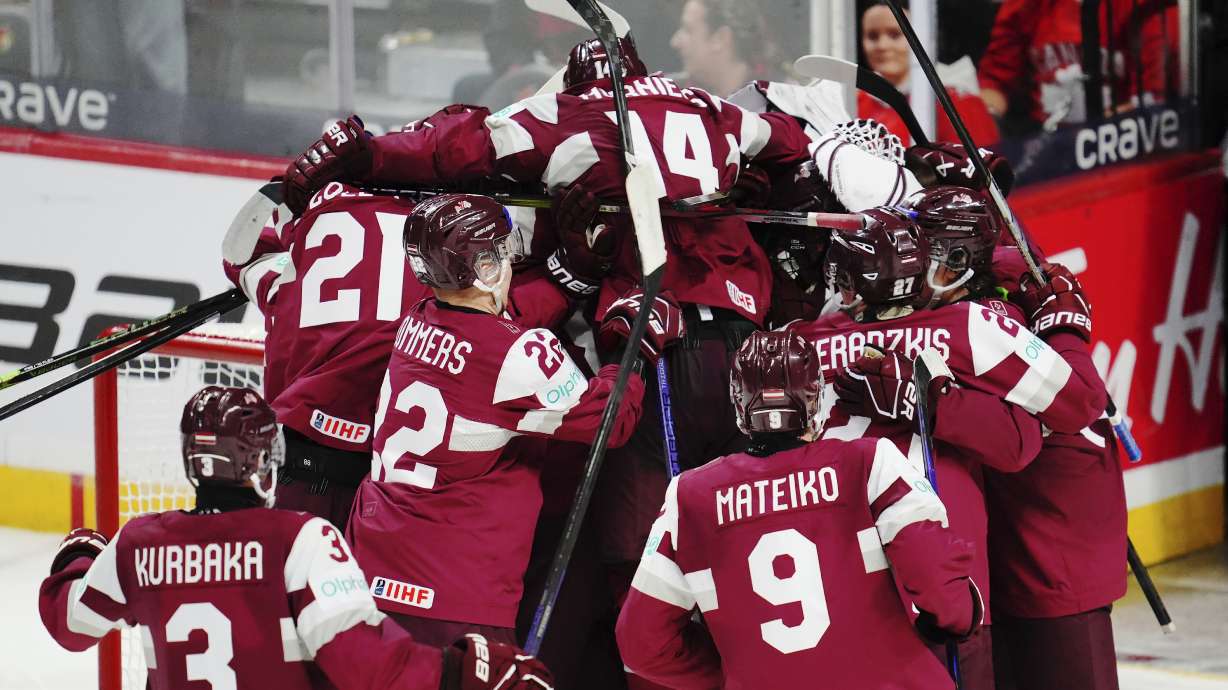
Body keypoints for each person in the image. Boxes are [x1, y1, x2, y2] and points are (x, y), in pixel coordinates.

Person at [275, 36, 820, 645]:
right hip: (738, 346)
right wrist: (631, 346)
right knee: (756, 517)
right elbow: (794, 144)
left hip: (388, 570)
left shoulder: (416, 324)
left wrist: (368, 154)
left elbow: (461, 146)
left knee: (643, 557)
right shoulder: (708, 107)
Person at [38, 385, 552, 690]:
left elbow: (69, 624)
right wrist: (462, 671)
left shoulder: (138, 545)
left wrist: (81, 555)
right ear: (264, 461)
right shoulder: (301, 539)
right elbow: (364, 663)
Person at [344, 193, 679, 647]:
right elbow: (610, 421)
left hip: (373, 575)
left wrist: (568, 278)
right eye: (501, 250)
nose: (510, 258)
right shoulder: (516, 356)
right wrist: (635, 347)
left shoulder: (417, 320)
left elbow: (491, 334)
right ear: (482, 266)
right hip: (453, 593)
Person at [227, 141, 575, 526]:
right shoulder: (450, 244)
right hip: (396, 488)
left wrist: (286, 189)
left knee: (286, 582)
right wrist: (573, 274)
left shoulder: (316, 223)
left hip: (293, 464)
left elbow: (239, 257)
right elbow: (496, 315)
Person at [614, 329, 982, 688]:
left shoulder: (688, 496)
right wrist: (957, 618)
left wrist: (733, 673)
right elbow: (935, 578)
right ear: (815, 398)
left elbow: (640, 644)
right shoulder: (868, 460)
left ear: (739, 404)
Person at [986, 249, 1126, 690]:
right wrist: (1064, 328)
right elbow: (1082, 398)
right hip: (1046, 579)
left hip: (1043, 579)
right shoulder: (1001, 344)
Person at [977, 0, 1167, 131]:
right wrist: (981, 121)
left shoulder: (1145, 8)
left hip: (1119, 147)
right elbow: (995, 83)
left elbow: (1153, 101)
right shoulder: (1027, 6)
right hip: (1043, 150)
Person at [859, 1, 1000, 145]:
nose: (882, 46)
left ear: (921, 37)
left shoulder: (955, 100)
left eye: (895, 35)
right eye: (872, 36)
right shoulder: (856, 100)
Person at [669, 0, 776, 98]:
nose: (675, 42)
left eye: (688, 30)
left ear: (720, 38)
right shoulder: (679, 96)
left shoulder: (776, 107)